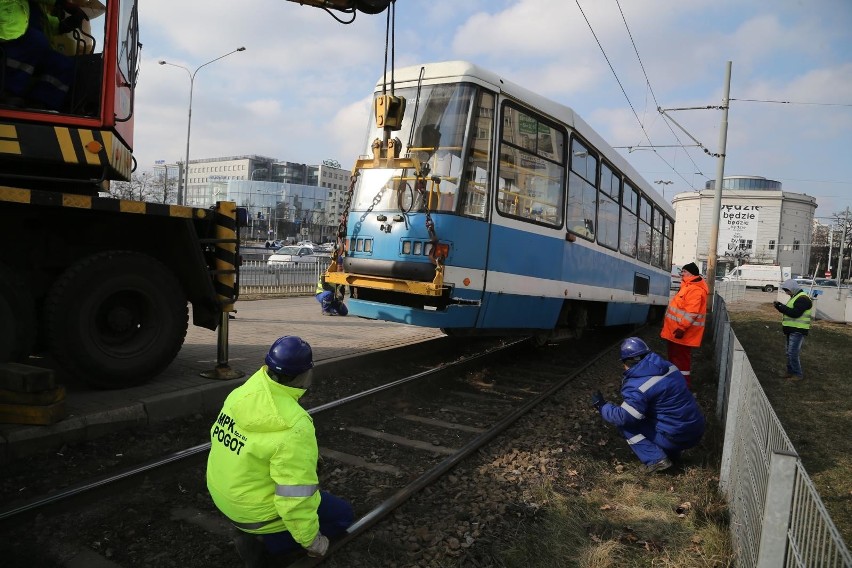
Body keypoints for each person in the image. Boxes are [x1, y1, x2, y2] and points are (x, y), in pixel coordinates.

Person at [206, 336, 354, 566]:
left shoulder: (242, 394)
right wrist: (311, 542)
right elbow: (295, 496)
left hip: (225, 497)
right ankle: (267, 543)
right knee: (343, 515)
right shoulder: (294, 425)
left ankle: (257, 531)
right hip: (254, 514)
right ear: (304, 375)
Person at [591, 337, 706, 473]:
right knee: (666, 415)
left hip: (677, 436)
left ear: (626, 362)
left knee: (627, 425)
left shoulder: (638, 386)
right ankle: (673, 458)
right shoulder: (669, 367)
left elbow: (624, 417)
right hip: (696, 430)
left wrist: (602, 406)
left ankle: (656, 460)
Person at [0, 0, 84, 111]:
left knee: (62, 63)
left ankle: (40, 103)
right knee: (36, 40)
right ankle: (7, 92)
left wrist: (63, 25)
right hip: (6, 34)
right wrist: (62, 2)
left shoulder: (37, 7)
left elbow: (44, 24)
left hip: (31, 43)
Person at [660, 262, 708, 388]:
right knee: (675, 359)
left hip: (683, 334)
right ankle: (675, 383)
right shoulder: (688, 287)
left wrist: (682, 328)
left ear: (691, 274)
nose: (682, 274)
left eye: (684, 272)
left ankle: (682, 386)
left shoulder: (695, 290)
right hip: (677, 333)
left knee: (680, 361)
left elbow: (692, 312)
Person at [772, 278, 813, 381]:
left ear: (793, 288)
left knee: (792, 353)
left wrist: (781, 307)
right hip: (792, 329)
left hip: (798, 330)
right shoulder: (795, 297)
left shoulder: (802, 299)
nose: (786, 292)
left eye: (787, 290)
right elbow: (790, 311)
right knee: (789, 352)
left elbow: (795, 313)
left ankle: (797, 374)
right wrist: (779, 307)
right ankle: (790, 372)